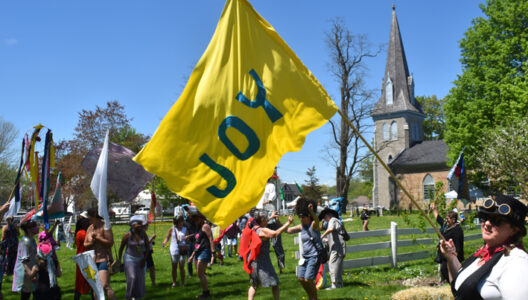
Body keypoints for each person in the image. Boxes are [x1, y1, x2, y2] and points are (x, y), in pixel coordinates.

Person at [440, 195, 528, 299]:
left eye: (497, 221)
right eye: (484, 218)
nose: (487, 224)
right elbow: (461, 288)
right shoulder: (483, 252)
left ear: (515, 229)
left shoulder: (516, 262)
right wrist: (451, 257)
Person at [247, 210, 293, 300]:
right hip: (262, 262)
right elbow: (275, 234)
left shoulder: (254, 227)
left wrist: (271, 217)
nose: (268, 220)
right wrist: (288, 223)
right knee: (275, 283)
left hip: (252, 261)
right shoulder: (262, 230)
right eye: (266, 218)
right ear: (262, 220)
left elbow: (265, 221)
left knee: (254, 285)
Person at [286, 199, 321, 300]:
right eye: (300, 217)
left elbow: (317, 220)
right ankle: (311, 296)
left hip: (314, 256)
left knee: (308, 279)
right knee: (301, 279)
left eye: (303, 217)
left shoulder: (314, 225)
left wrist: (311, 211)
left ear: (308, 217)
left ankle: (314, 298)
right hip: (304, 257)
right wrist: (283, 223)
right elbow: (288, 231)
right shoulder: (302, 226)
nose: (301, 219)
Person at [84, 208, 116, 300]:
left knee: (105, 285)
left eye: (90, 218)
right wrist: (91, 243)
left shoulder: (105, 226)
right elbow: (85, 244)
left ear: (95, 217)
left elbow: (110, 242)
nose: (89, 220)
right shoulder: (90, 228)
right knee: (96, 288)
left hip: (104, 259)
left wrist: (99, 238)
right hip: (93, 261)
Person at [118, 215, 149, 300]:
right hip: (129, 258)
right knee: (132, 277)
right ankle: (129, 296)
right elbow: (121, 249)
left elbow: (147, 247)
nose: (140, 226)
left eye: (141, 224)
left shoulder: (143, 234)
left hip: (140, 259)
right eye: (138, 224)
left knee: (139, 279)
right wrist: (119, 261)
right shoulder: (127, 235)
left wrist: (144, 259)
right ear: (133, 225)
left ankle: (137, 297)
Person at [432, 203, 464, 282]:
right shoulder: (446, 226)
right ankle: (451, 283)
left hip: (453, 255)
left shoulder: (457, 230)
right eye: (446, 218)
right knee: (444, 270)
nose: (446, 220)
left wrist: (454, 254)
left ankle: (454, 284)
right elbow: (438, 218)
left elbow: (458, 245)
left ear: (453, 220)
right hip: (444, 255)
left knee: (446, 271)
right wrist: (434, 209)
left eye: (448, 219)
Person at [187, 208, 214, 299]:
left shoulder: (205, 226)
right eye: (193, 218)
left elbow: (210, 238)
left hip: (205, 250)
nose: (194, 220)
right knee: (199, 274)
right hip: (198, 251)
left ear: (201, 218)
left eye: (196, 218)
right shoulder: (197, 227)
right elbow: (198, 241)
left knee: (200, 272)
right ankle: (205, 292)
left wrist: (213, 253)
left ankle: (206, 293)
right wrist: (192, 255)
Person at [12, 217, 39, 300]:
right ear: (28, 229)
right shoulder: (25, 242)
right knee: (26, 295)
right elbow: (24, 260)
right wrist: (31, 274)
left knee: (36, 294)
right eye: (33, 227)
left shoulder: (32, 240)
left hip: (33, 270)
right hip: (27, 273)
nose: (36, 228)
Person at [320, 207, 346, 289]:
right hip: (340, 247)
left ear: (328, 216)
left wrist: (322, 236)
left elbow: (330, 229)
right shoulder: (336, 221)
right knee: (338, 266)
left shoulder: (332, 220)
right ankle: (340, 284)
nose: (325, 220)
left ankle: (334, 284)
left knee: (332, 264)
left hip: (337, 248)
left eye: (325, 218)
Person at [162, 215, 188, 287]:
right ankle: (174, 282)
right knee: (174, 266)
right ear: (176, 222)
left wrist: (186, 238)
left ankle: (182, 282)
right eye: (179, 221)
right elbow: (167, 237)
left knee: (182, 266)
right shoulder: (172, 229)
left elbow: (188, 240)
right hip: (173, 249)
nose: (180, 223)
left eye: (181, 221)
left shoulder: (185, 229)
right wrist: (164, 242)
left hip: (182, 249)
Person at [74, 217, 92, 300]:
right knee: (81, 279)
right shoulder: (81, 233)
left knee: (91, 278)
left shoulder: (84, 232)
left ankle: (93, 295)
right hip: (82, 258)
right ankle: (77, 296)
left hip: (87, 257)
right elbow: (90, 241)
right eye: (87, 224)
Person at [143, 222, 156, 287]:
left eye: (147, 225)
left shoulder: (145, 234)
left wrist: (152, 242)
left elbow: (148, 242)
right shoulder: (141, 234)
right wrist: (152, 238)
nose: (147, 227)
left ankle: (153, 282)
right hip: (144, 253)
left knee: (152, 268)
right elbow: (145, 243)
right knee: (144, 269)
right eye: (145, 226)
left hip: (149, 253)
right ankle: (142, 284)